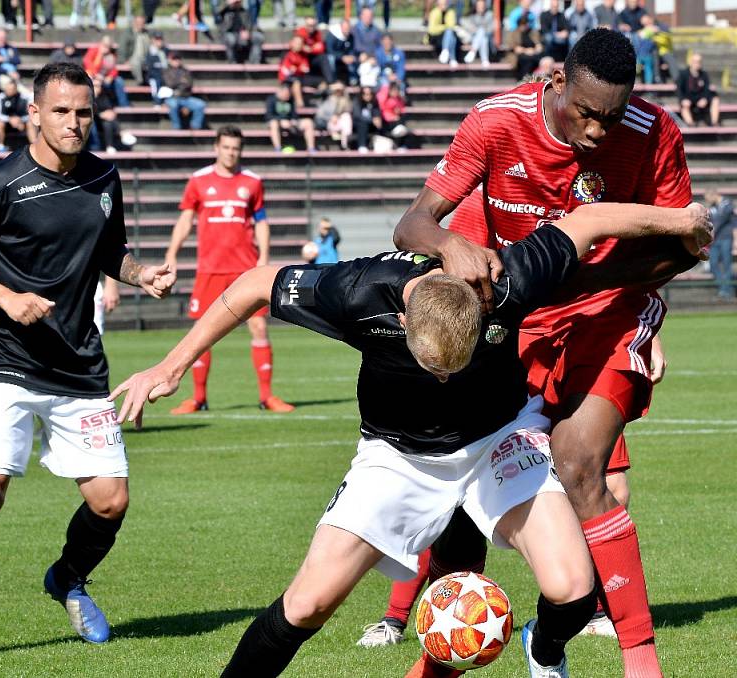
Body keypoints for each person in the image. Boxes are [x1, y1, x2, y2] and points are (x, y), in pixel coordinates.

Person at [110, 201, 709, 678]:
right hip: (395, 457)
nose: (445, 377)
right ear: (401, 323)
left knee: (573, 590)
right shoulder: (359, 291)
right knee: (308, 605)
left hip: (497, 440)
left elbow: (589, 219)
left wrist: (682, 220)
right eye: (434, 368)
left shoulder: (508, 282)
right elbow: (253, 284)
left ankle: (545, 649)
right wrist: (172, 365)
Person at [392, 28, 704, 678]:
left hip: (612, 311)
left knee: (583, 462)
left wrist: (582, 277)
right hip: (518, 322)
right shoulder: (494, 122)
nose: (598, 131)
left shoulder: (654, 132)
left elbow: (685, 242)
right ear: (557, 83)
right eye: (587, 113)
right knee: (464, 491)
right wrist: (448, 245)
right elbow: (413, 223)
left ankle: (641, 661)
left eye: (611, 118)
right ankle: (500, 650)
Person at [0, 61, 176, 666]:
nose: (74, 123)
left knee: (110, 501)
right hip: (9, 366)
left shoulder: (104, 177)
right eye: (61, 111)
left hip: (80, 368)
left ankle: (68, 578)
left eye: (84, 112)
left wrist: (139, 271)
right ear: (34, 115)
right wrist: (5, 298)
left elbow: (110, 250)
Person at [163, 125, 294, 414]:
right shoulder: (198, 181)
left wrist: (264, 257)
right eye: (226, 147)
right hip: (209, 269)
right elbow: (185, 220)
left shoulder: (252, 182)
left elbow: (261, 221)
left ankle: (267, 396)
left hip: (245, 270)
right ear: (216, 148)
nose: (231, 153)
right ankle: (197, 398)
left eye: (236, 148)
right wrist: (172, 253)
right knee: (201, 332)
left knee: (259, 327)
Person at [90, 75, 136, 153]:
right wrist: (100, 115)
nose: (97, 88)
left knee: (108, 123)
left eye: (98, 86)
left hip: (105, 122)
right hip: (94, 121)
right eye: (94, 86)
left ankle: (110, 146)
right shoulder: (88, 98)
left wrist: (109, 113)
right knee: (107, 122)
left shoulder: (103, 96)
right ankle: (121, 133)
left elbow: (109, 108)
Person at [161, 52, 207, 131]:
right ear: (170, 60)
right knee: (174, 105)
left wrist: (178, 85)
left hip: (185, 97)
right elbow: (170, 84)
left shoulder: (185, 71)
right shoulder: (166, 71)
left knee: (201, 104)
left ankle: (195, 126)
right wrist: (181, 81)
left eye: (178, 59)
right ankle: (176, 127)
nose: (177, 61)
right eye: (174, 59)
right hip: (172, 97)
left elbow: (189, 84)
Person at [265, 84, 317, 153]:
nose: (287, 96)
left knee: (308, 122)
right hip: (278, 123)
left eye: (288, 94)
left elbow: (294, 114)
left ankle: (311, 148)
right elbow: (269, 116)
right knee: (273, 123)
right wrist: (281, 120)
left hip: (290, 123)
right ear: (280, 92)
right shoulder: (271, 100)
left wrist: (293, 120)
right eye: (285, 94)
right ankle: (277, 148)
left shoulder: (290, 100)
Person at [83, 35, 130, 108]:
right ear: (101, 43)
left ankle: (124, 106)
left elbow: (114, 69)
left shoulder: (111, 55)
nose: (106, 47)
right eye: (105, 45)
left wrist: (111, 76)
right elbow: (87, 62)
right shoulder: (94, 50)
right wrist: (100, 55)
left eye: (108, 46)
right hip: (94, 77)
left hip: (105, 78)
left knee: (119, 81)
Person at [705, 189, 735, 300]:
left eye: (708, 198)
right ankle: (724, 289)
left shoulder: (727, 204)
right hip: (715, 241)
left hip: (726, 238)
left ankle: (726, 292)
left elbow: (724, 220)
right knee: (713, 264)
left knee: (727, 265)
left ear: (714, 195)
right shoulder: (713, 208)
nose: (707, 201)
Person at [0, 76, 36, 153]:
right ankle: (0, 146)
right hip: (6, 123)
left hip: (22, 123)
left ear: (16, 89)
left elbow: (29, 114)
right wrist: (10, 119)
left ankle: (34, 146)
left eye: (12, 89)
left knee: (30, 123)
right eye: (8, 89)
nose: (9, 91)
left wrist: (20, 120)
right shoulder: (0, 97)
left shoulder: (24, 97)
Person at [678, 53, 720, 127]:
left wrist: (705, 98)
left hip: (700, 98)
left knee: (715, 99)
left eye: (699, 62)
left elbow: (707, 89)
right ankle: (691, 124)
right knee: (684, 106)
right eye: (695, 61)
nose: (697, 64)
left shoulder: (704, 74)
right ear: (691, 62)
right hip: (688, 98)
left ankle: (714, 123)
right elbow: (679, 89)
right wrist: (683, 99)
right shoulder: (683, 74)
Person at [218, 0, 263, 65]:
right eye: (235, 2)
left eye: (238, 2)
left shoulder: (244, 11)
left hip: (243, 34)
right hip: (230, 34)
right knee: (231, 39)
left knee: (258, 37)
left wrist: (248, 32)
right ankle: (233, 62)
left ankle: (254, 62)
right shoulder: (224, 12)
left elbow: (250, 25)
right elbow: (224, 28)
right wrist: (228, 6)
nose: (237, 3)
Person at [295, 16, 335, 85]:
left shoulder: (317, 33)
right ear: (305, 25)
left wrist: (310, 49)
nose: (311, 28)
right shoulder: (301, 32)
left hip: (312, 59)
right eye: (309, 25)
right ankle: (329, 82)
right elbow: (297, 47)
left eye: (313, 25)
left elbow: (321, 48)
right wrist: (308, 48)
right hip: (302, 61)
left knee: (324, 57)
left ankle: (330, 81)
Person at [278, 35, 314, 109]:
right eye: (297, 43)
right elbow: (289, 70)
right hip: (287, 78)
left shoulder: (303, 55)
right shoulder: (287, 54)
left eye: (300, 43)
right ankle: (299, 103)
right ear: (292, 43)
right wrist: (299, 69)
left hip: (300, 77)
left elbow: (306, 68)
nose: (299, 45)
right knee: (296, 83)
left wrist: (298, 69)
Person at [315, 81, 352, 151]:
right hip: (326, 122)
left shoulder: (345, 99)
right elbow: (320, 114)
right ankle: (341, 138)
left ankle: (344, 141)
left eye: (340, 90)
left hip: (340, 123)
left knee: (346, 116)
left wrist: (337, 116)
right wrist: (331, 118)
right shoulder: (328, 99)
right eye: (337, 90)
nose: (338, 92)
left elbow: (348, 109)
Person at [507, 14, 543, 81]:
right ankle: (524, 80)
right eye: (522, 24)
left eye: (525, 24)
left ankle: (526, 80)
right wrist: (527, 51)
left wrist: (534, 50)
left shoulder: (533, 32)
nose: (524, 26)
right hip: (519, 55)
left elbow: (539, 46)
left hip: (533, 54)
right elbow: (515, 48)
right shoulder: (514, 33)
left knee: (532, 60)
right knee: (526, 61)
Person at [121, 14, 152, 85]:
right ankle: (140, 80)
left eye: (142, 23)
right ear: (134, 23)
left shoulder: (147, 33)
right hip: (132, 57)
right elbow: (122, 48)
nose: (141, 24)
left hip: (146, 57)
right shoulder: (128, 33)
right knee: (136, 62)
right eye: (139, 23)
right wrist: (124, 60)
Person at [461, 0, 494, 67]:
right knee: (482, 36)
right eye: (479, 6)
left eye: (482, 6)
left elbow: (492, 28)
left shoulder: (490, 15)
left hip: (488, 39)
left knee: (483, 35)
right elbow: (463, 22)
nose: (481, 7)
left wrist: (481, 30)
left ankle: (473, 51)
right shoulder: (472, 15)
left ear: (485, 6)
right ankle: (484, 60)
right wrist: (474, 29)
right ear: (476, 6)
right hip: (474, 38)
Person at [427, 0, 459, 67]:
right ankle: (452, 58)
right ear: (438, 4)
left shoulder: (450, 12)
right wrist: (445, 27)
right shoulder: (434, 12)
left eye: (445, 4)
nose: (443, 6)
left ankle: (445, 50)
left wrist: (445, 28)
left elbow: (452, 26)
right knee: (450, 34)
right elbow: (432, 29)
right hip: (436, 37)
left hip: (446, 36)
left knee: (450, 34)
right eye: (441, 4)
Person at [326, 18, 357, 85]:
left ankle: (353, 80)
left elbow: (351, 49)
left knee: (353, 59)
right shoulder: (332, 35)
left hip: (344, 57)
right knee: (330, 59)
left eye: (348, 28)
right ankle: (332, 80)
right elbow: (329, 50)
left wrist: (351, 56)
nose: (347, 30)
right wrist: (341, 57)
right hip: (334, 57)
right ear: (341, 27)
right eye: (345, 28)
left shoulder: (350, 36)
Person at [353, 85, 382, 153]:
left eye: (369, 94)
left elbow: (376, 113)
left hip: (371, 124)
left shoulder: (374, 102)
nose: (367, 96)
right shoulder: (357, 101)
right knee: (362, 124)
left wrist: (377, 118)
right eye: (365, 94)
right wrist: (372, 120)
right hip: (358, 125)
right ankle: (362, 145)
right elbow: (357, 116)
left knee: (382, 123)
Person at [144, 30, 169, 105]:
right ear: (153, 40)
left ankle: (166, 101)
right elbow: (149, 68)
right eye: (157, 39)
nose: (159, 41)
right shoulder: (149, 52)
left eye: (160, 39)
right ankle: (157, 102)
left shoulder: (166, 51)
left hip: (165, 75)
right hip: (153, 76)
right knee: (155, 83)